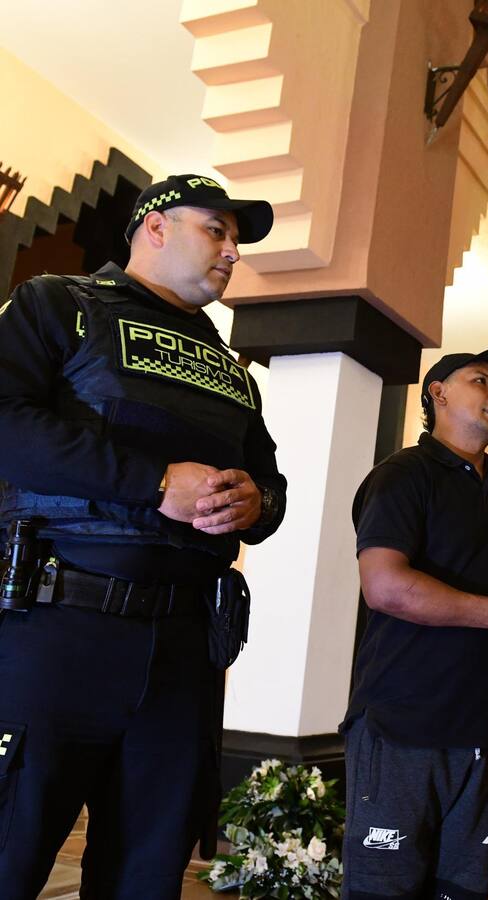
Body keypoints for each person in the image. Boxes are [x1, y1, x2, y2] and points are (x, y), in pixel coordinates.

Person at [0, 174, 286, 897]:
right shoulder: (59, 304)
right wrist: (156, 483)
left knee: (146, 875)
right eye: (216, 230)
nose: (232, 251)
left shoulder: (231, 371)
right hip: (57, 626)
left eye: (237, 240)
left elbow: (272, 484)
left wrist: (256, 503)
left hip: (184, 652)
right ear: (153, 227)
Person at [341, 345, 488, 900]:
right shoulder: (403, 475)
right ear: (437, 392)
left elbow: (486, 590)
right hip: (406, 723)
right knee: (387, 890)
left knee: (462, 891)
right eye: (481, 380)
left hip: (483, 728)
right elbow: (385, 586)